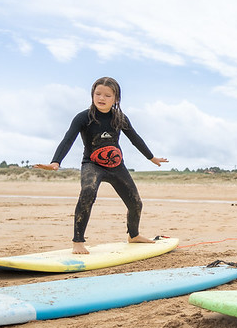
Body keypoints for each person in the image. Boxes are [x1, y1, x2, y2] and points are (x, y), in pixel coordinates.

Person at [35, 77, 168, 254]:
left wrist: (151, 157)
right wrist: (56, 162)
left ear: (116, 98)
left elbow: (135, 138)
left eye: (107, 95)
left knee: (136, 203)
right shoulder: (83, 118)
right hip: (92, 164)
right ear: (92, 94)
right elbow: (68, 139)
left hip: (116, 166)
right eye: (98, 94)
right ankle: (78, 242)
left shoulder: (119, 118)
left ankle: (133, 235)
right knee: (87, 192)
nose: (101, 98)